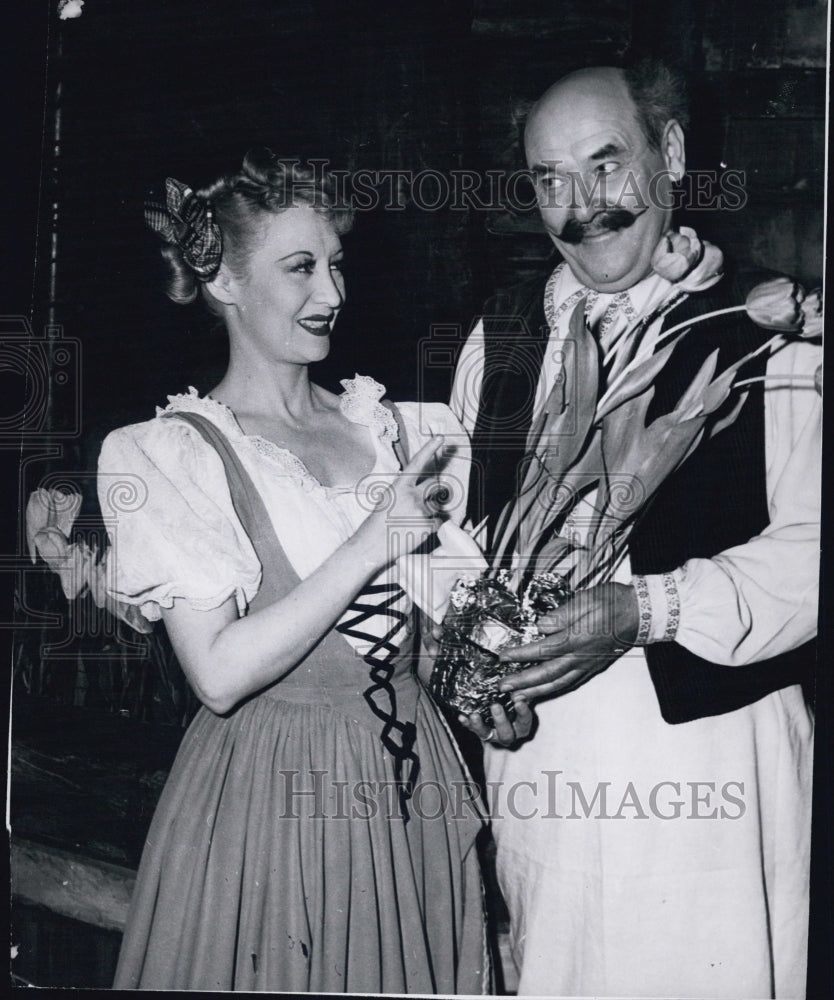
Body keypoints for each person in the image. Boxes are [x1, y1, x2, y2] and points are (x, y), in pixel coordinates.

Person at [450, 62, 821, 998]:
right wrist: (478, 678)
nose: (581, 207)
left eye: (606, 166)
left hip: (709, 773)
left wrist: (645, 609)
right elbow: (454, 549)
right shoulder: (497, 340)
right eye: (548, 180)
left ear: (674, 156)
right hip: (544, 774)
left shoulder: (774, 333)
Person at [100, 149, 499, 992]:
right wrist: (372, 536)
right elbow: (216, 673)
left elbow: (416, 628)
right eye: (301, 268)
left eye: (337, 264)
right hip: (275, 795)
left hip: (410, 778)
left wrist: (477, 686)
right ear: (226, 283)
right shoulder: (174, 452)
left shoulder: (386, 424)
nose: (334, 294)